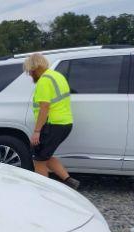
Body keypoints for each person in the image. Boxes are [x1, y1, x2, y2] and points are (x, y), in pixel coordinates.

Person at [23, 53, 80, 190]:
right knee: (45, 155)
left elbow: (44, 107)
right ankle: (69, 181)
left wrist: (37, 131)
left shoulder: (44, 81)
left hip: (52, 125)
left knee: (38, 160)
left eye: (29, 71)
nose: (30, 75)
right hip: (65, 123)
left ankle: (43, 192)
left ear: (34, 68)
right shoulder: (58, 76)